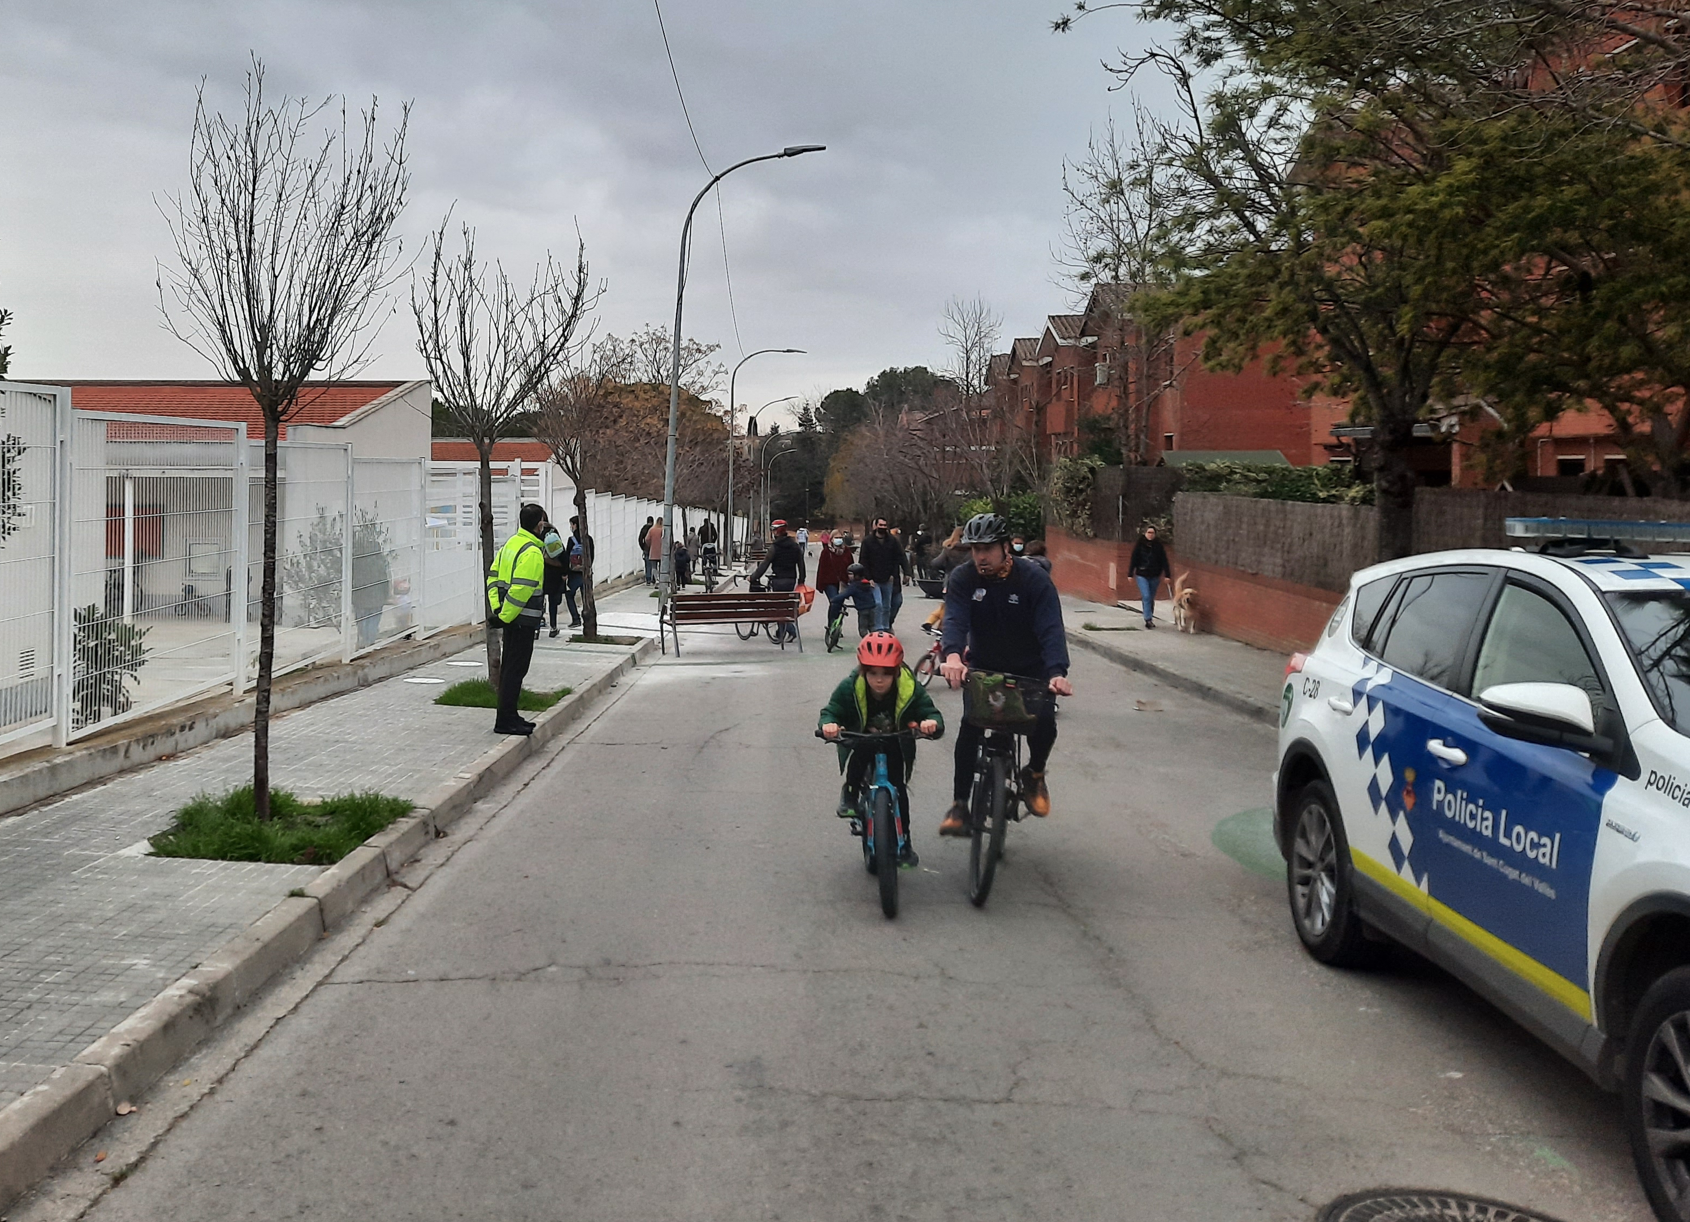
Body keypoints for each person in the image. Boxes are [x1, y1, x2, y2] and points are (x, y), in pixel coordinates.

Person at [938, 512, 1073, 834]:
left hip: (1030, 667)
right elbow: (955, 619)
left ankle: (1034, 774)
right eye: (975, 550)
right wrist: (953, 656)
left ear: (1004, 547)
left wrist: (1057, 672)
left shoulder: (1033, 579)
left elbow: (1051, 629)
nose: (981, 557)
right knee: (970, 727)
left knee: (1044, 722)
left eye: (987, 549)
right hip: (984, 665)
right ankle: (960, 806)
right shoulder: (963, 578)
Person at [819, 632, 944, 869]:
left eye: (886, 673)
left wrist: (930, 723)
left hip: (895, 742)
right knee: (861, 752)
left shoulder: (909, 688)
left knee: (899, 789)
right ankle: (851, 793)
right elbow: (831, 710)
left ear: (897, 672)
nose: (879, 680)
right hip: (863, 739)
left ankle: (904, 840)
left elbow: (930, 712)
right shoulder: (850, 687)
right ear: (862, 671)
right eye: (872, 673)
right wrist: (829, 725)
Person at [486, 503, 550, 737]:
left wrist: (498, 610)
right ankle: (505, 720)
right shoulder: (532, 552)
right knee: (516, 670)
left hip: (511, 619)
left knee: (508, 670)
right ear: (539, 524)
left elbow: (492, 578)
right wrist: (505, 616)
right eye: (542, 522)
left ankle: (509, 715)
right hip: (522, 621)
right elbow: (522, 590)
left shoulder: (510, 545)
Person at [751, 520, 806, 643]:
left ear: (776, 531)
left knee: (778, 607)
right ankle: (781, 631)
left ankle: (789, 631)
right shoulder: (795, 546)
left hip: (778, 580)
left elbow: (764, 565)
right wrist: (801, 580)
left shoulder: (775, 548)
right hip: (791, 579)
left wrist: (753, 577)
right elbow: (801, 565)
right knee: (785, 605)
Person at [860, 517, 910, 629]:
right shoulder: (868, 541)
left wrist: (907, 573)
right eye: (880, 525)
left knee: (889, 605)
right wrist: (868, 578)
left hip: (889, 578)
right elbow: (863, 560)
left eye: (884, 525)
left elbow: (901, 557)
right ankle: (879, 628)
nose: (882, 527)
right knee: (878, 604)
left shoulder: (893, 541)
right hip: (874, 579)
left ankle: (887, 626)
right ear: (875, 526)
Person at [1127, 524, 1170, 629]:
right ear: (1145, 533)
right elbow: (1134, 559)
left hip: (1155, 575)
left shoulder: (1158, 546)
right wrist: (1130, 574)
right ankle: (1148, 619)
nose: (1151, 535)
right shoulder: (1140, 545)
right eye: (1149, 532)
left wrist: (1167, 574)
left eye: (1153, 533)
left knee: (1151, 597)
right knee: (1146, 595)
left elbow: (1164, 560)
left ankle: (1150, 615)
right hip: (1142, 574)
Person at [827, 561, 884, 638]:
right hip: (872, 608)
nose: (849, 576)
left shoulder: (854, 586)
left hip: (863, 610)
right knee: (872, 627)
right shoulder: (866, 584)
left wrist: (834, 599)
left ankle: (867, 642)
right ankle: (875, 640)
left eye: (851, 574)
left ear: (857, 575)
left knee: (862, 630)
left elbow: (845, 594)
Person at [540, 524, 569, 638]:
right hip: (555, 578)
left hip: (542, 576)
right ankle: (553, 627)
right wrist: (564, 573)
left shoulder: (538, 540)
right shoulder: (555, 539)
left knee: (539, 602)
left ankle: (537, 627)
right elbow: (564, 558)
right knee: (553, 604)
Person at [564, 515, 591, 628]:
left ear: (575, 525)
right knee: (586, 597)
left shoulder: (571, 540)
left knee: (569, 595)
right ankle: (588, 618)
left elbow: (566, 557)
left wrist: (566, 572)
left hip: (574, 573)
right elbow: (591, 556)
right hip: (585, 572)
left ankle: (576, 618)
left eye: (571, 524)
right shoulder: (588, 539)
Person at [815, 533, 856, 602]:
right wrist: (819, 585)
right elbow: (822, 569)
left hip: (843, 582)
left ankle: (839, 612)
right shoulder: (826, 552)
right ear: (831, 539)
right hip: (829, 582)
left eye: (840, 537)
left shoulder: (846, 551)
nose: (838, 539)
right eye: (836, 537)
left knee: (839, 603)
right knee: (834, 601)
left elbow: (851, 566)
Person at [645, 516, 665, 586]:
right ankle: (661, 579)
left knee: (654, 567)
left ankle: (656, 579)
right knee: (662, 567)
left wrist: (650, 544)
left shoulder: (652, 530)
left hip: (653, 550)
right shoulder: (663, 530)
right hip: (662, 551)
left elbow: (647, 539)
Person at [637, 516, 655, 584]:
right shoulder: (653, 529)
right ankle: (653, 578)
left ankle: (648, 579)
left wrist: (643, 547)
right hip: (653, 548)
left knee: (647, 564)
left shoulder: (644, 528)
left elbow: (640, 539)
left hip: (646, 548)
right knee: (654, 564)